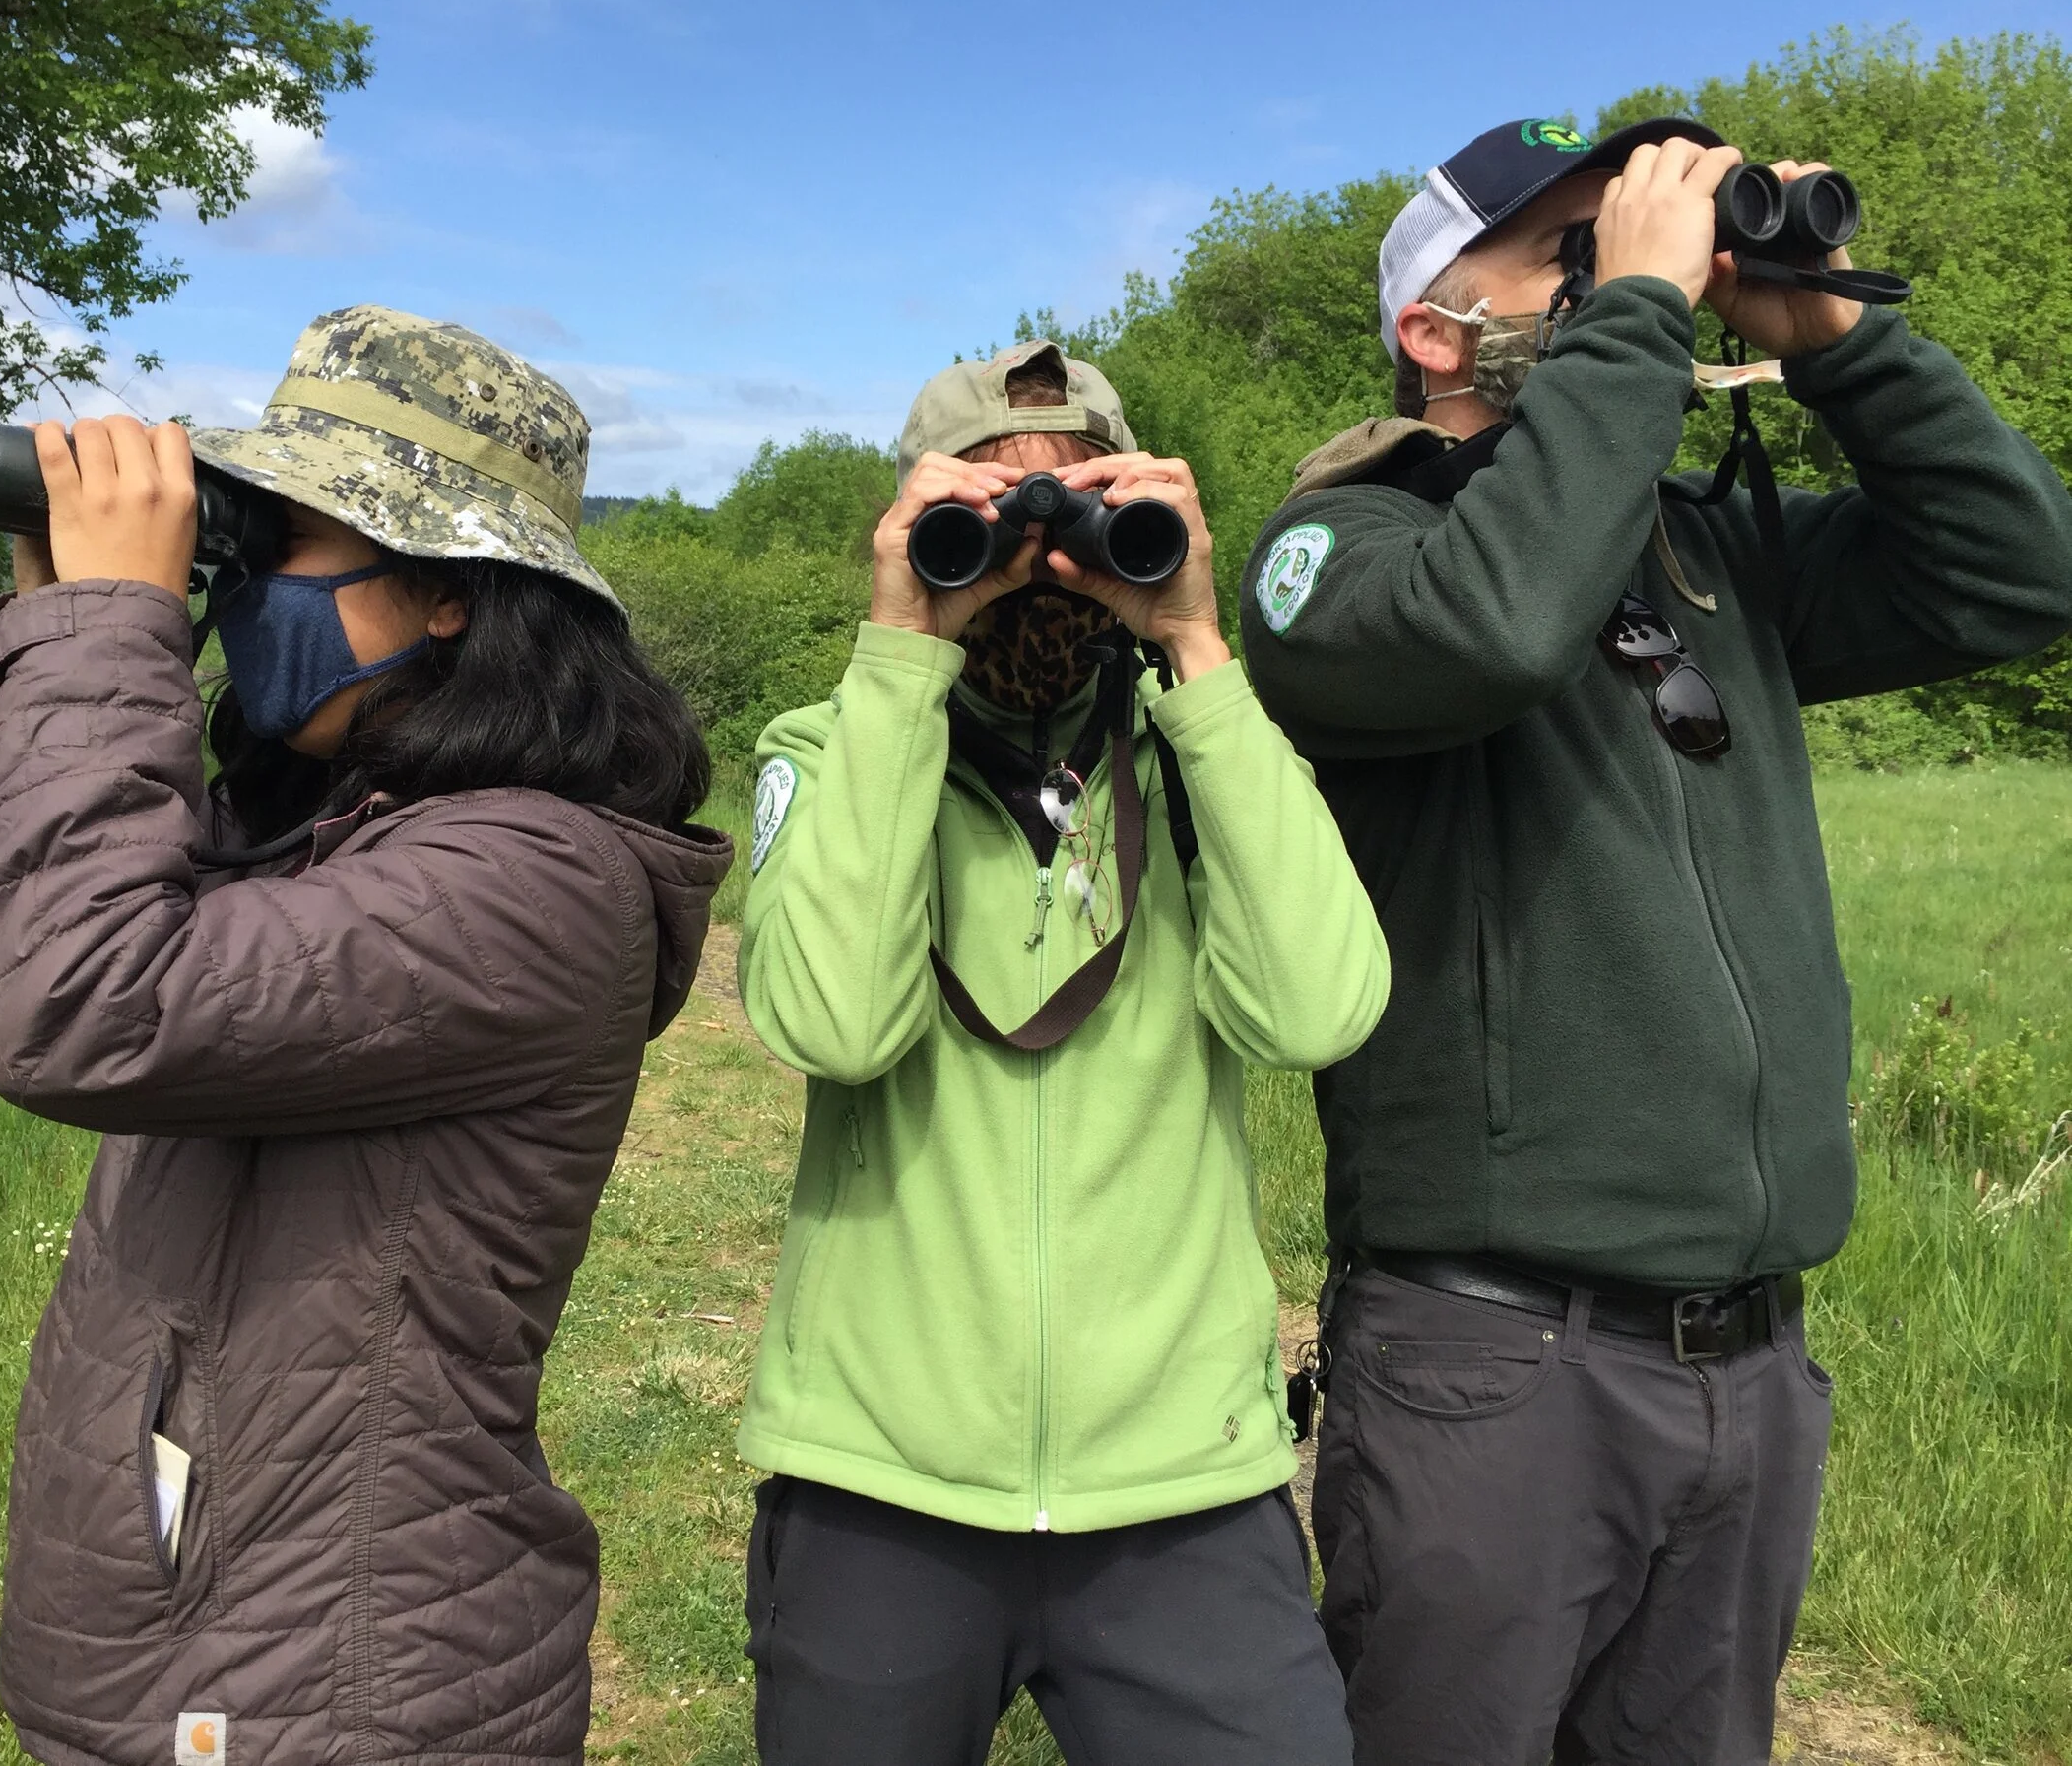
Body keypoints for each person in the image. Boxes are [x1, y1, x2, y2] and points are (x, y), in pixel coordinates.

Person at [1237, 118, 2072, 1765]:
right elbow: (1499, 621)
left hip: (1748, 1363)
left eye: (1650, 238)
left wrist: (1840, 340)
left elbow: (2024, 573)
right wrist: (1636, 313)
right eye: (1573, 248)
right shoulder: (1334, 551)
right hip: (1495, 1354)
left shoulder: (1707, 547)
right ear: (1434, 331)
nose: (1648, 267)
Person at [0, 308, 731, 1766]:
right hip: (219, 1641)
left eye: (285, 544)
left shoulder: (534, 881)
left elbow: (79, 1006)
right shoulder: (320, 824)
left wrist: (106, 629)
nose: (244, 582)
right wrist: (33, 626)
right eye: (240, 540)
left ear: (450, 591)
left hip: (342, 1687)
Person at [734, 340, 1391, 1765]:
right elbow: (832, 1024)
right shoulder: (826, 743)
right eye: (984, 515)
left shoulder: (1198, 756)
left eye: (1078, 509)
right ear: (910, 522)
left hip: (1184, 1479)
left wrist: (1198, 648)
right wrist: (906, 650)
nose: (1035, 554)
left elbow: (1320, 1010)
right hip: (879, 1481)